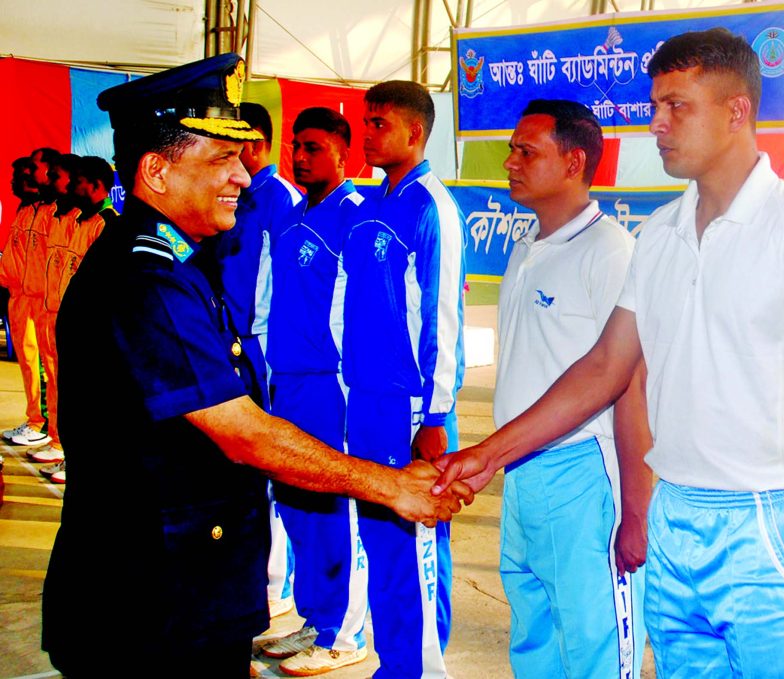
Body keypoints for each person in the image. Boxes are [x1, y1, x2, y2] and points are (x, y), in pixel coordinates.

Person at [435, 28, 784, 679]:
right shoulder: (661, 235)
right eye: (653, 106)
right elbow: (603, 367)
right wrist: (486, 454)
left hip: (770, 518)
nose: (656, 125)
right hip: (677, 515)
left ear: (736, 111)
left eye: (676, 106)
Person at [41, 54, 472, 679]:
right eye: (221, 159)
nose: (245, 176)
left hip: (179, 596)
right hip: (149, 609)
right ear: (157, 171)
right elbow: (241, 433)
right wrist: (390, 485)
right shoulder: (148, 280)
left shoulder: (180, 262)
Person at [492, 98, 650, 679]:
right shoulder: (525, 247)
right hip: (522, 471)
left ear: (573, 161)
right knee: (533, 632)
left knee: (594, 646)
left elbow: (633, 384)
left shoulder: (611, 252)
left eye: (525, 151)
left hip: (582, 473)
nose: (509, 162)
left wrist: (636, 510)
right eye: (512, 149)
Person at [338, 80, 465, 678]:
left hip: (409, 407)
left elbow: (442, 315)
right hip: (363, 399)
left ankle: (422, 670)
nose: (366, 134)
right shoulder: (369, 207)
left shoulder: (430, 206)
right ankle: (393, 664)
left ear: (415, 133)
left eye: (378, 124)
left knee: (415, 548)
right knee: (378, 542)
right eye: (365, 122)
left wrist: (434, 415)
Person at [259, 106, 370, 676]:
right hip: (288, 381)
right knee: (296, 503)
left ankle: (344, 633)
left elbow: (361, 313)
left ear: (343, 155)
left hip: (333, 388)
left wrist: (354, 387)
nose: (301, 158)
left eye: (315, 148)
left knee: (334, 506)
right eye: (296, 148)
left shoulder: (355, 216)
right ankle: (313, 617)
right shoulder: (294, 216)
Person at [214, 100, 302, 620]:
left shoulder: (279, 198)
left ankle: (279, 581)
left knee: (273, 468)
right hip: (234, 342)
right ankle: (261, 574)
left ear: (254, 142)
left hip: (264, 349)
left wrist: (265, 351)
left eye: (233, 143)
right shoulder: (239, 196)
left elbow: (279, 287)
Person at [38, 155, 117, 483]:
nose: (70, 185)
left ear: (96, 186)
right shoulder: (76, 221)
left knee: (88, 402)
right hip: (62, 320)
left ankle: (84, 463)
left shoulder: (107, 225)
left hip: (90, 331)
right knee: (64, 393)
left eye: (77, 180)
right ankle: (67, 453)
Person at [0, 147, 60, 449]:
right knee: (28, 364)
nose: (17, 179)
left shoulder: (53, 212)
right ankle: (36, 419)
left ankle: (48, 427)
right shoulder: (26, 210)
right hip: (19, 297)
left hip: (42, 301)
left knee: (46, 367)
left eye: (26, 172)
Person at [27, 153, 83, 470]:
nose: (49, 180)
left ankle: (65, 449)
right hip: (45, 308)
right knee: (52, 380)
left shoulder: (94, 222)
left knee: (70, 388)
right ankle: (54, 439)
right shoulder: (59, 216)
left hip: (66, 316)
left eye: (56, 175)